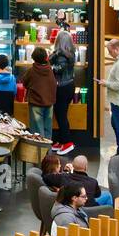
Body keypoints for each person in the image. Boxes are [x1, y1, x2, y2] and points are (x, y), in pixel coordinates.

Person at [50, 23, 76, 154]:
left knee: (60, 115)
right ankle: (61, 140)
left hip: (62, 87)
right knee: (61, 114)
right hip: (69, 86)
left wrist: (50, 67)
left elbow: (59, 69)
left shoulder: (61, 56)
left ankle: (67, 142)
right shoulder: (71, 53)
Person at [22, 45, 56, 140]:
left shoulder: (32, 71)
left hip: (35, 103)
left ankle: (39, 153)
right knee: (48, 129)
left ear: (33, 58)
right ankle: (47, 152)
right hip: (49, 103)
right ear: (46, 57)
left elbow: (24, 82)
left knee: (37, 131)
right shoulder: (49, 69)